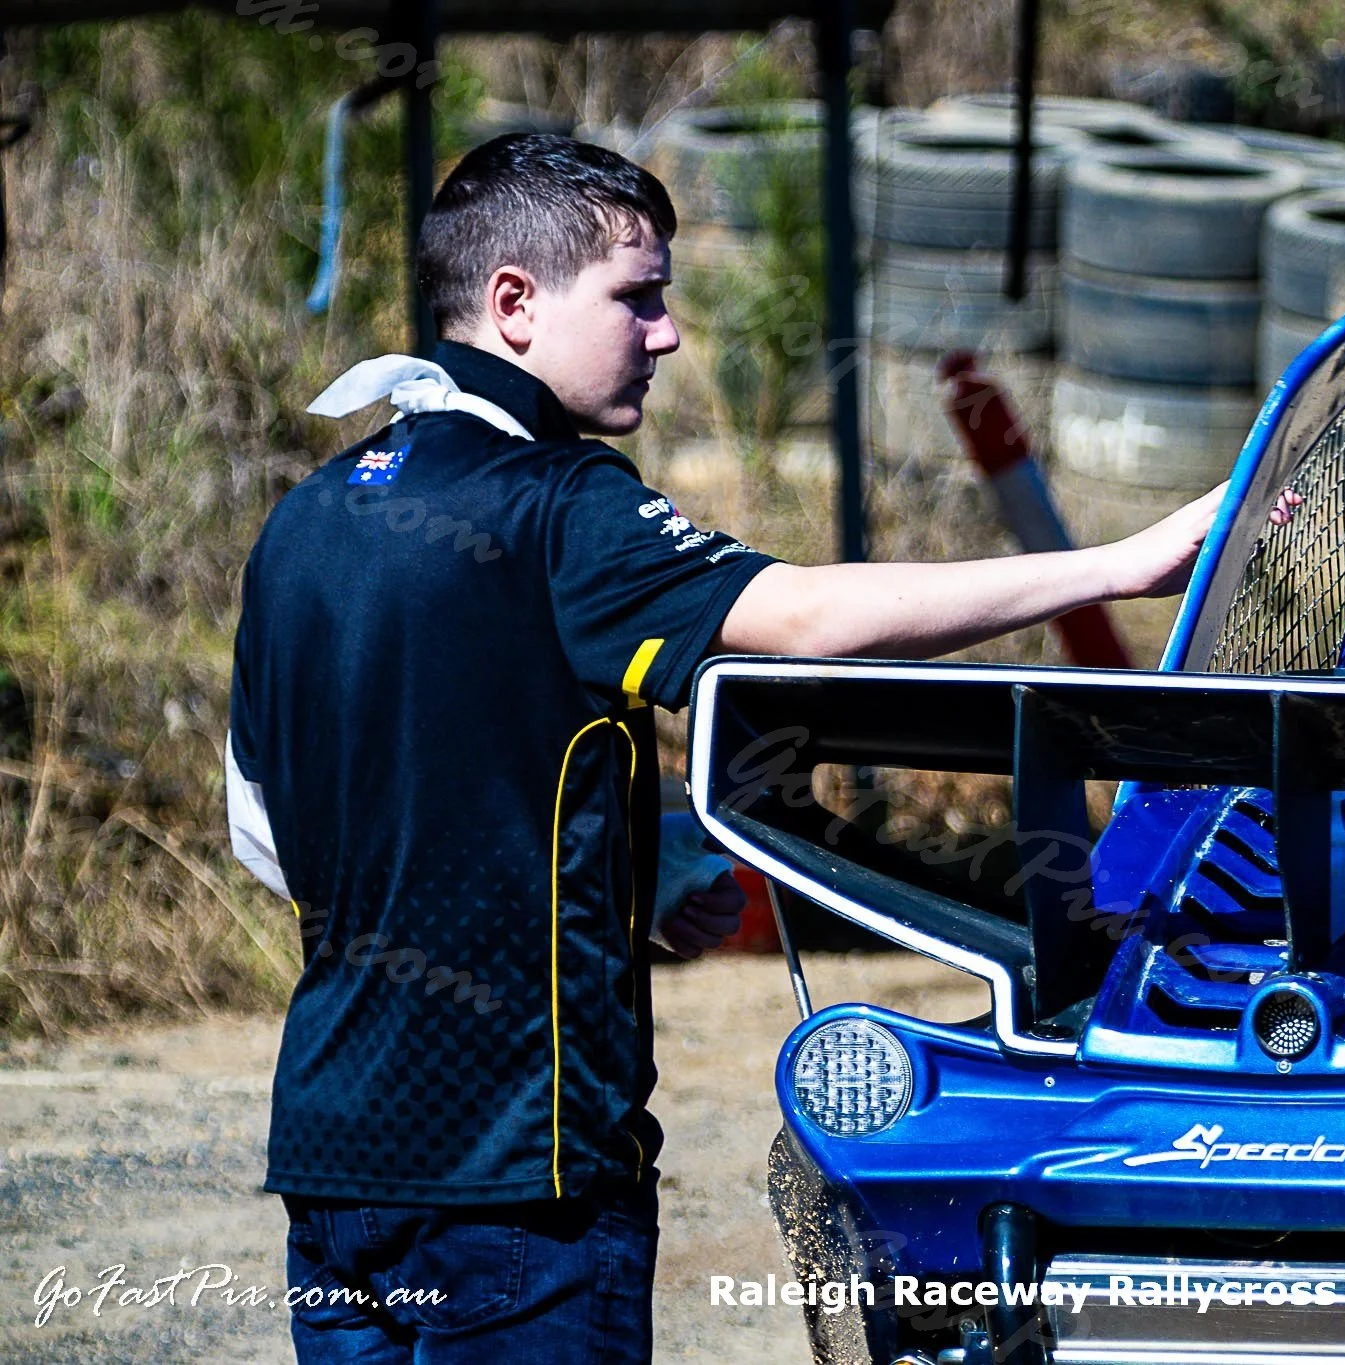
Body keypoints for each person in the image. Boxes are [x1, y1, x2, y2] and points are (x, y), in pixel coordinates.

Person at [224, 133, 1221, 1362]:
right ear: (514, 305)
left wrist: (625, 881)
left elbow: (273, 838)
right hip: (518, 1174)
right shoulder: (562, 504)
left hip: (331, 1162)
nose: (668, 332)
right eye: (636, 298)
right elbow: (804, 623)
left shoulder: (303, 519)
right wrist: (1121, 564)